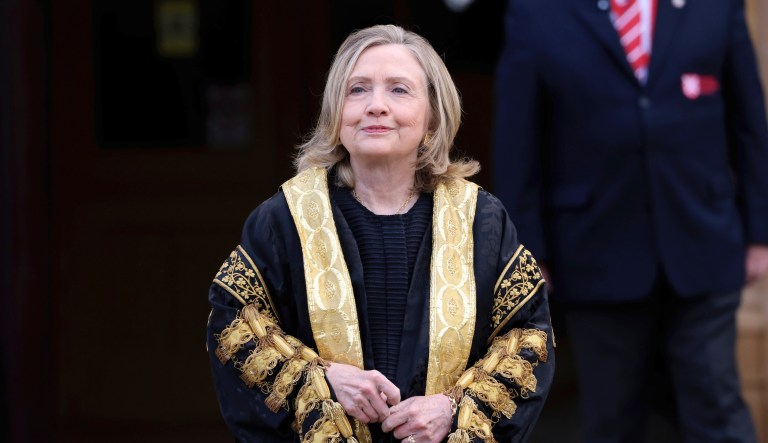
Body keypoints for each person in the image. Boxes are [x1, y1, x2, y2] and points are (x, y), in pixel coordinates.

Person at [206, 24, 555, 443]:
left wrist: (453, 409)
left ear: (432, 116)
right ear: (336, 114)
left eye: (399, 90)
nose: (376, 106)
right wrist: (325, 381)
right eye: (357, 90)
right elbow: (232, 326)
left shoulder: (482, 220)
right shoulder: (284, 219)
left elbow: (529, 337)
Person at [493, 0, 768, 442]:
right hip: (593, 250)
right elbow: (516, 143)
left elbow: (750, 124)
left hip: (704, 240)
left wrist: (760, 233)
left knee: (715, 403)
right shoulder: (537, 13)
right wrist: (530, 253)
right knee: (613, 416)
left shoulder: (715, 7)